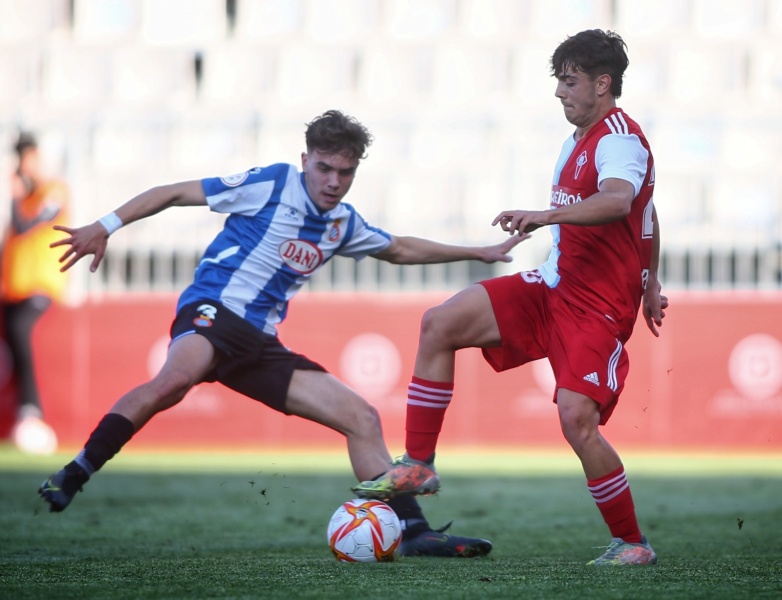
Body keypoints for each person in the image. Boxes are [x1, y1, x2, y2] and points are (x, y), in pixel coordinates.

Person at [38, 109, 523, 558]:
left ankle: (414, 532)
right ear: (304, 160)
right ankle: (74, 472)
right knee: (175, 380)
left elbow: (397, 249)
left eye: (345, 172)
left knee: (361, 417)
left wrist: (477, 253)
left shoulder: (341, 223)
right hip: (214, 310)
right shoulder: (271, 183)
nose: (333, 182)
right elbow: (172, 193)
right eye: (324, 168)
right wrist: (106, 225)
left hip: (258, 343)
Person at [353, 30, 668, 566]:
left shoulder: (618, 139)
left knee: (577, 421)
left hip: (596, 308)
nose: (560, 92)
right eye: (559, 82)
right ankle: (419, 464)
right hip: (553, 285)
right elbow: (648, 212)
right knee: (440, 323)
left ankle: (633, 542)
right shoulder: (578, 141)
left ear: (602, 83)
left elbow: (620, 203)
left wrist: (548, 218)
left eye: (569, 82)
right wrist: (653, 279)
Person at [1, 131, 70, 454]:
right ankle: (25, 412)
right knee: (13, 337)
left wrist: (15, 197)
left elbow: (26, 226)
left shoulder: (53, 190)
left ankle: (31, 409)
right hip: (13, 288)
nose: (22, 165)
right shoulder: (26, 196)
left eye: (26, 157)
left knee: (19, 329)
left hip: (41, 284)